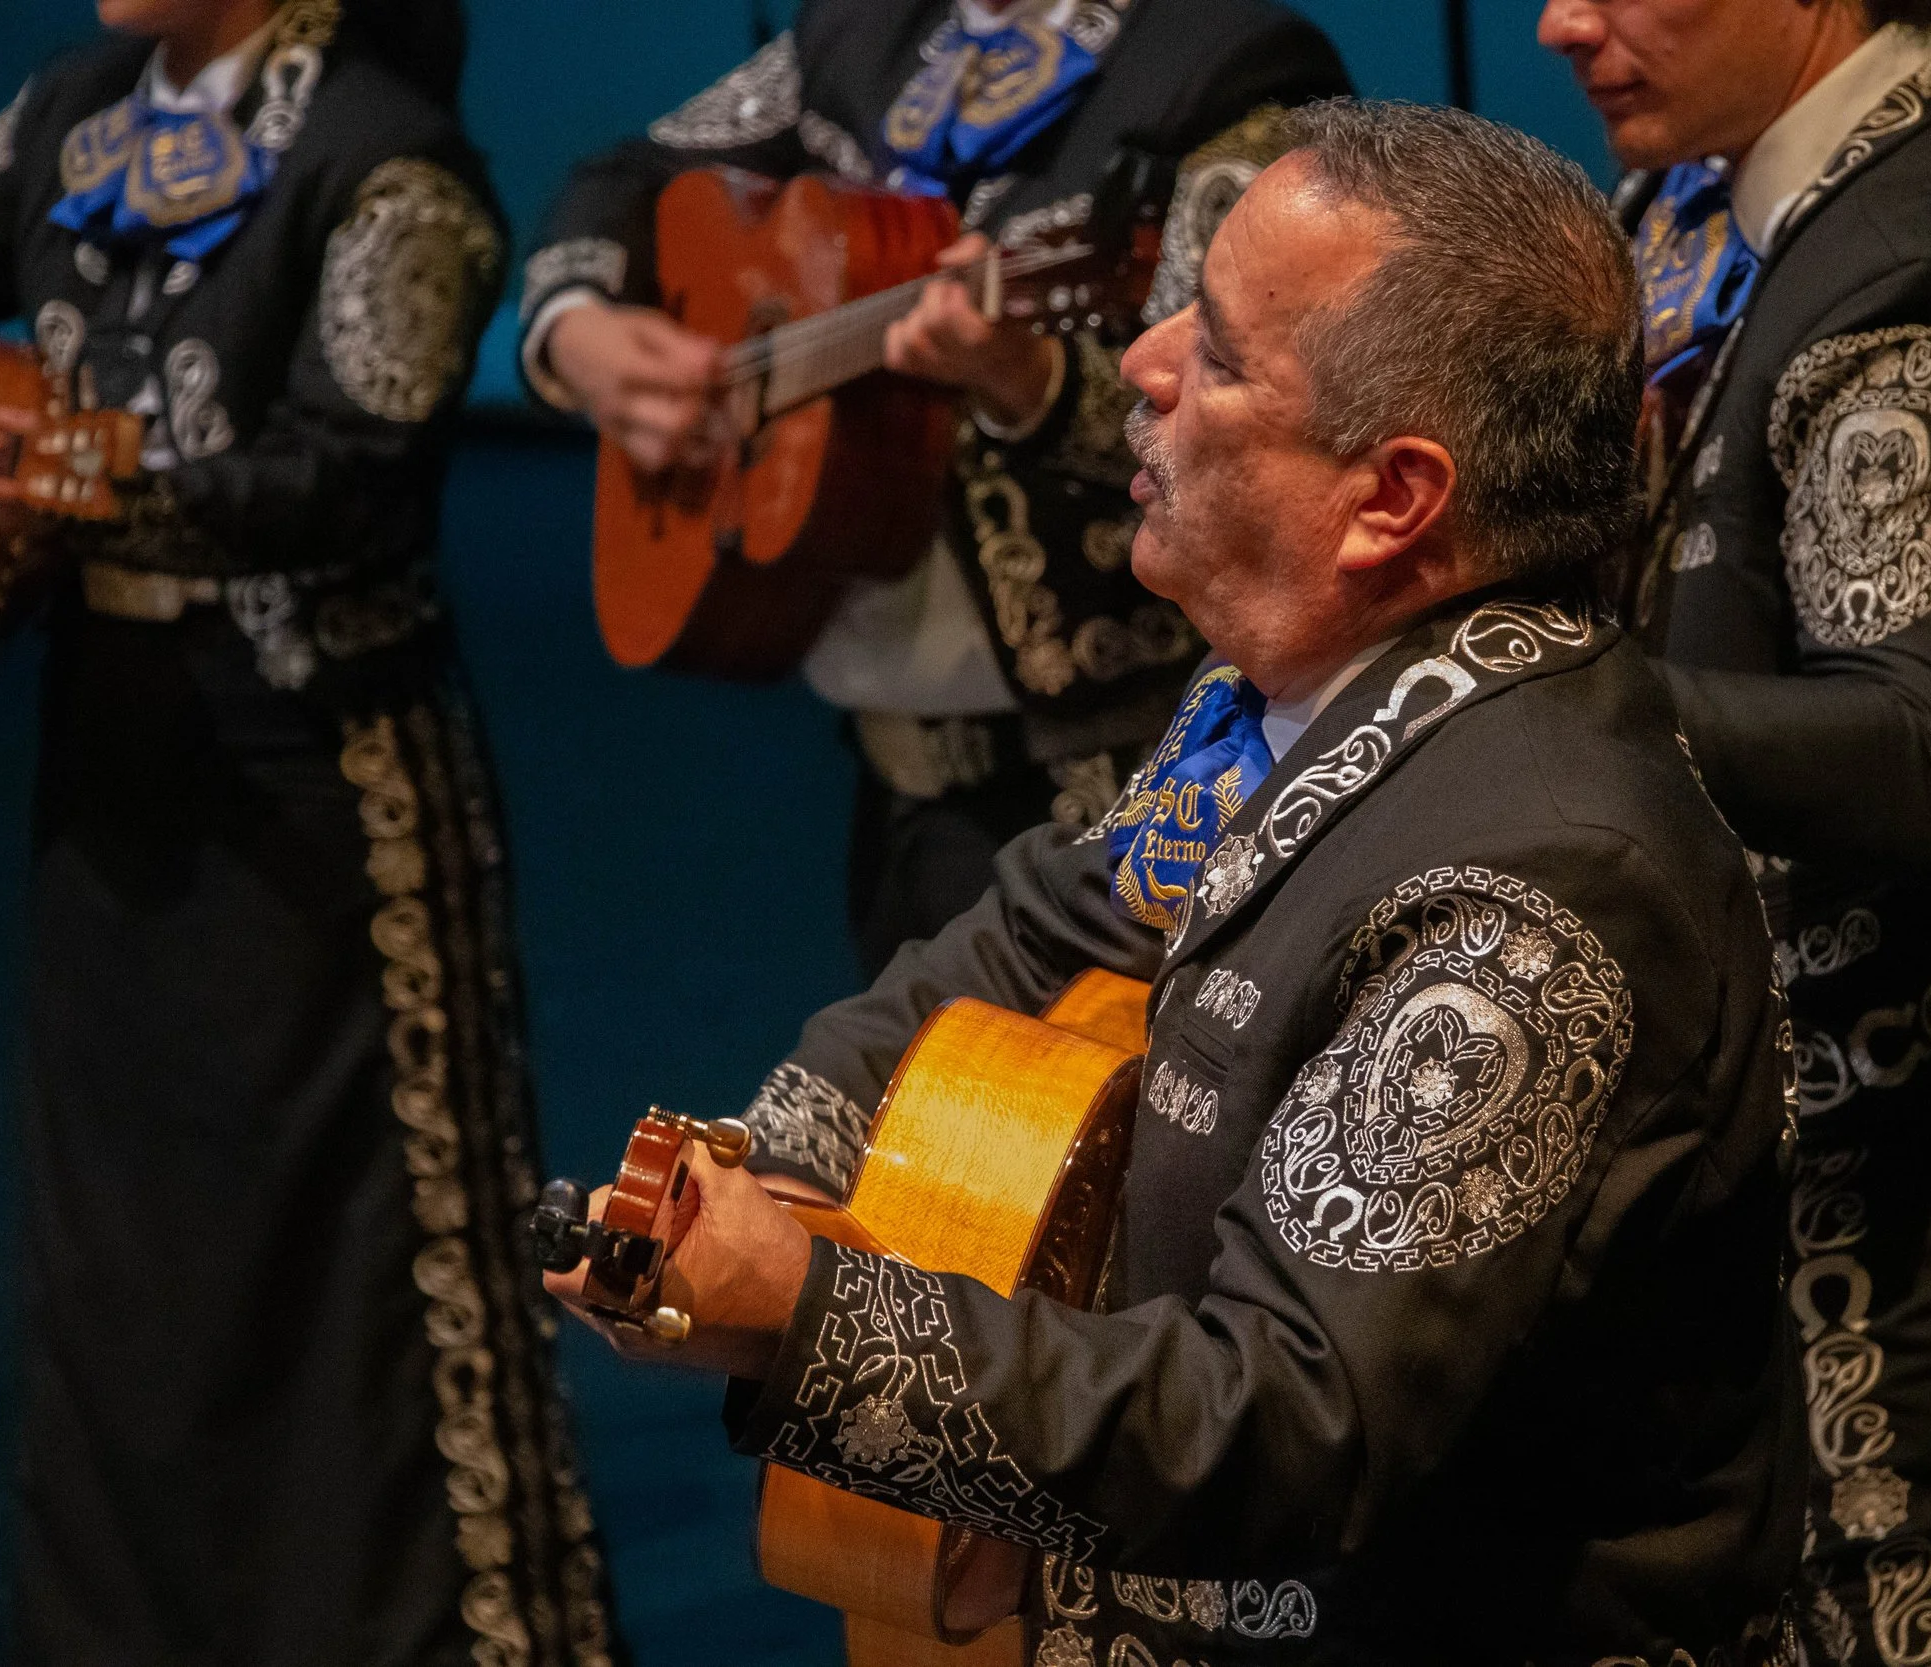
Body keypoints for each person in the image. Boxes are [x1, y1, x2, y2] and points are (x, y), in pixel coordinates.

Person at [550, 101, 1810, 1667]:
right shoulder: (1298, 696)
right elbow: (1026, 931)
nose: (1138, 367)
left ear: (1392, 499)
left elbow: (1283, 1427)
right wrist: (768, 1174)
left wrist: (807, 1306)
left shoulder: (1529, 900)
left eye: (1214, 355)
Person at [0, 2, 618, 1661]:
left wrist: (77, 488)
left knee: (371, 1264)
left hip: (327, 810)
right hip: (115, 778)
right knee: (131, 1267)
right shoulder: (69, 109)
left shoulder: (387, 158)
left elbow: (351, 480)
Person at [1537, 1, 1931, 1662]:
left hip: (1894, 1140)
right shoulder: (1790, 149)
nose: (1555, 22)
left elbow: (1909, 751)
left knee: (1921, 1603)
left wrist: (1521, 701)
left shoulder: (1921, 259)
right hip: (1850, 1091)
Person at [521, 0, 1349, 981]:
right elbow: (627, 176)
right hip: (888, 779)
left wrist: (1033, 382)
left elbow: (1254, 444)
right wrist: (575, 330)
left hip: (1119, 774)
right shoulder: (873, 28)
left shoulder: (1222, 71)